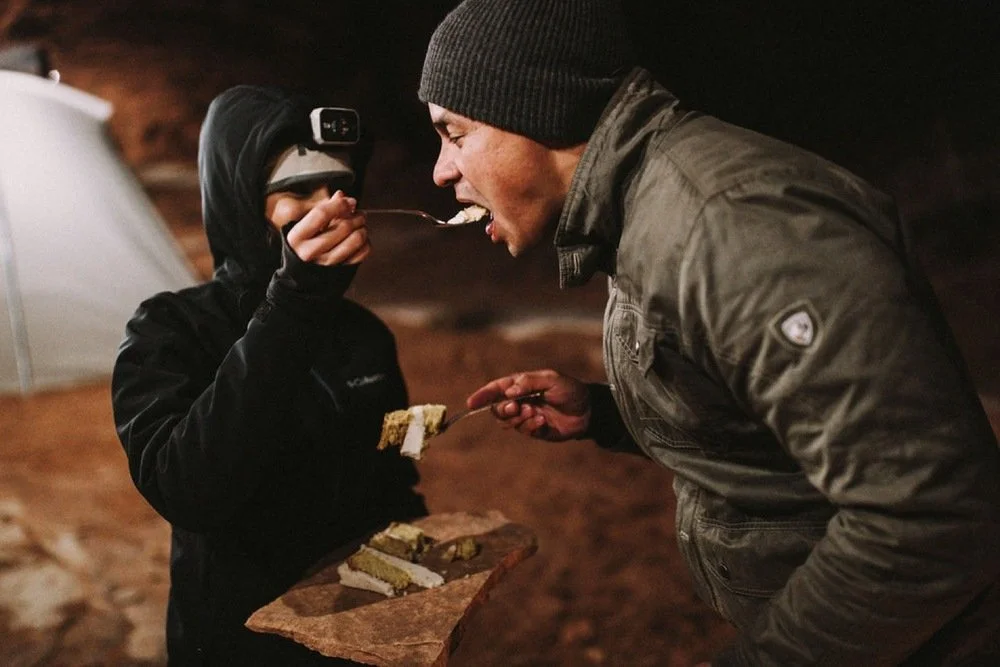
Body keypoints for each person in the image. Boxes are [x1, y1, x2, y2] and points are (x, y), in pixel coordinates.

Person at [417, 0, 1000, 664]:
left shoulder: (732, 228)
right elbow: (770, 423)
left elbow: (928, 514)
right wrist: (608, 414)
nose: (441, 170)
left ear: (537, 107)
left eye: (455, 133)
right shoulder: (641, 210)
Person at [111, 85, 427, 665]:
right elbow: (188, 490)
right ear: (240, 203)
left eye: (340, 189)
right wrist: (294, 305)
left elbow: (396, 475)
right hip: (240, 643)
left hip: (359, 636)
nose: (328, 207)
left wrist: (414, 581)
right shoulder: (170, 329)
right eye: (298, 191)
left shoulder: (366, 336)